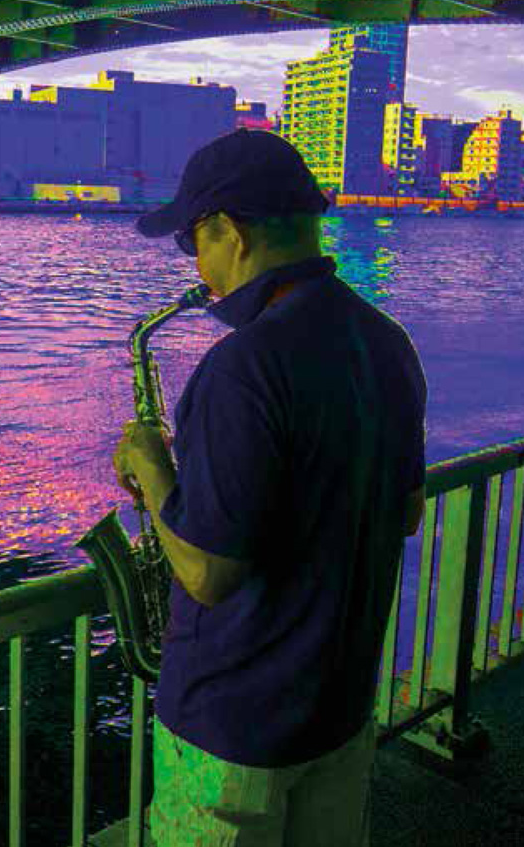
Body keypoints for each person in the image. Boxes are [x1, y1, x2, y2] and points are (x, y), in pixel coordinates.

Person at [111, 127, 428, 846]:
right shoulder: (387, 342)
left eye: (193, 243)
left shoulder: (241, 367)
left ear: (229, 230)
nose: (196, 267)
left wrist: (154, 471)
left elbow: (209, 572)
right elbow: (407, 511)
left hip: (234, 730)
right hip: (339, 711)